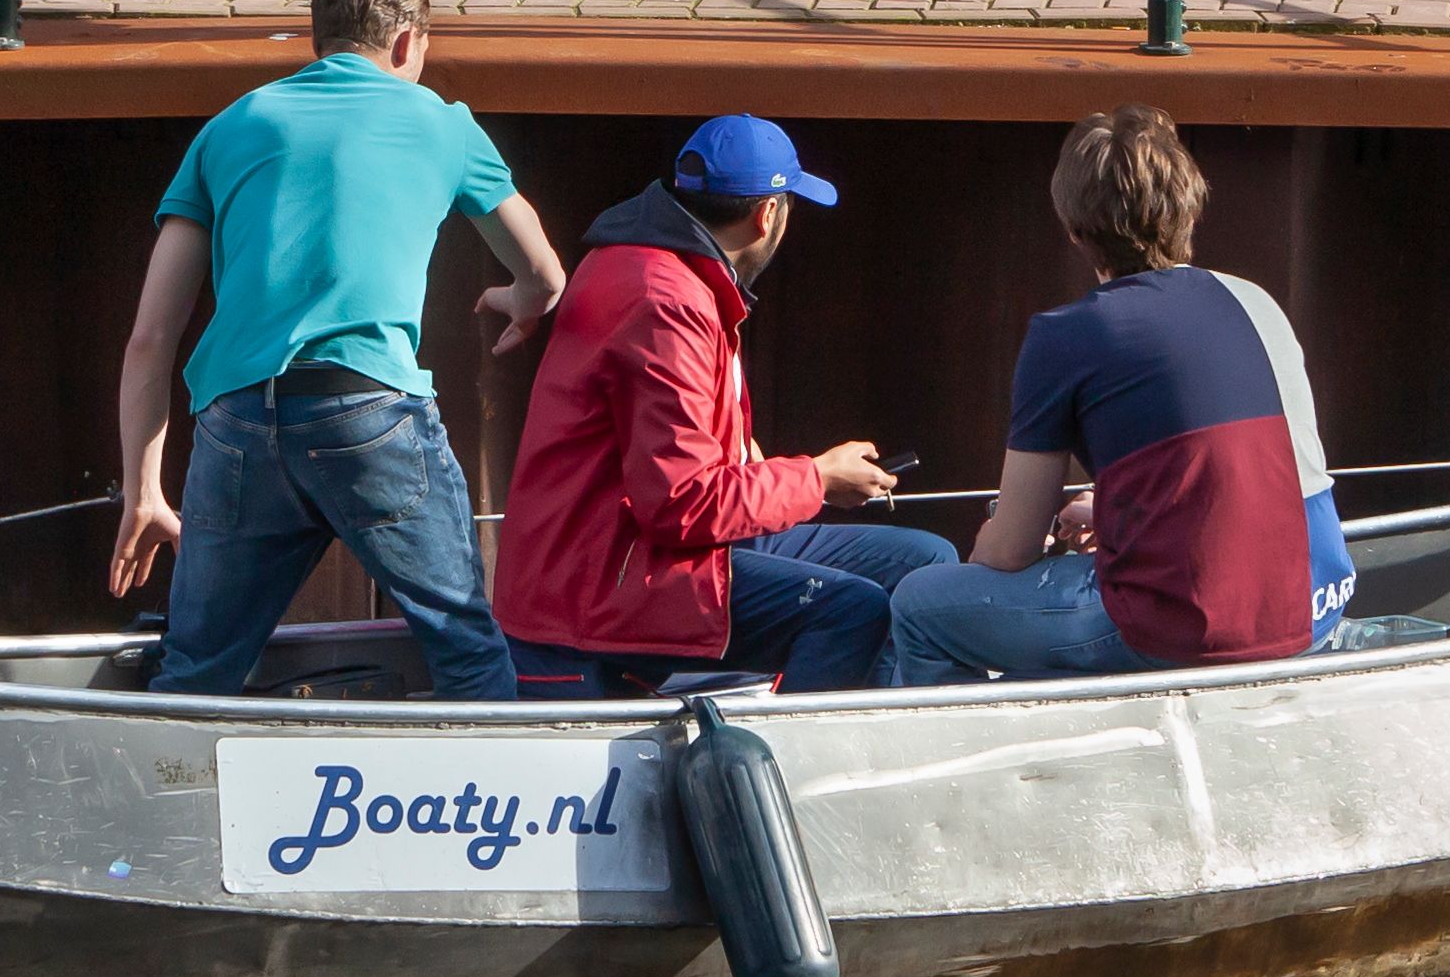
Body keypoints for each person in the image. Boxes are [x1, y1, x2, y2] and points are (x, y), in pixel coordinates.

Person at [107, 0, 564, 700]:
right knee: (468, 655)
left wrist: (144, 491)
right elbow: (544, 269)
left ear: (319, 36)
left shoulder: (231, 126)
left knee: (194, 674)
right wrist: (524, 299)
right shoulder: (443, 124)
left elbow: (150, 339)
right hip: (370, 412)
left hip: (239, 420)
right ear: (409, 44)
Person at [881, 103, 1354, 689]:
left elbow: (1010, 550)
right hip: (1318, 601)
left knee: (921, 606)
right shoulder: (1256, 301)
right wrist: (1107, 512)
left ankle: (967, 770)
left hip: (1191, 627)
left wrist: (991, 550)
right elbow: (1244, 475)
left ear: (1076, 230)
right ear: (1191, 206)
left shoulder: (1065, 335)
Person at [493, 114, 953, 697]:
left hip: (621, 547)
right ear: (768, 214)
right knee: (852, 609)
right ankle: (799, 775)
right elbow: (682, 504)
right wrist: (816, 479)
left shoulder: (647, 264)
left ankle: (869, 738)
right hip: (607, 574)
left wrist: (784, 472)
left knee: (924, 562)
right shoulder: (668, 300)